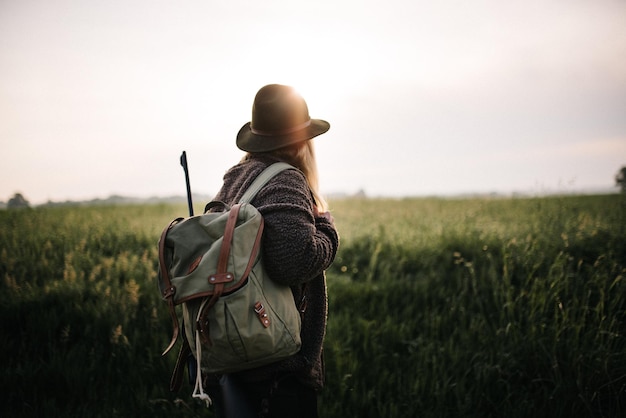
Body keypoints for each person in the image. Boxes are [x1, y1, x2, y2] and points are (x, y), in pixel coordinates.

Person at [205, 84, 339, 418]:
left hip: (237, 349)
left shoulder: (236, 177)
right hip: (277, 367)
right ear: (300, 140)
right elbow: (295, 261)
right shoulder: (285, 180)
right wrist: (326, 228)